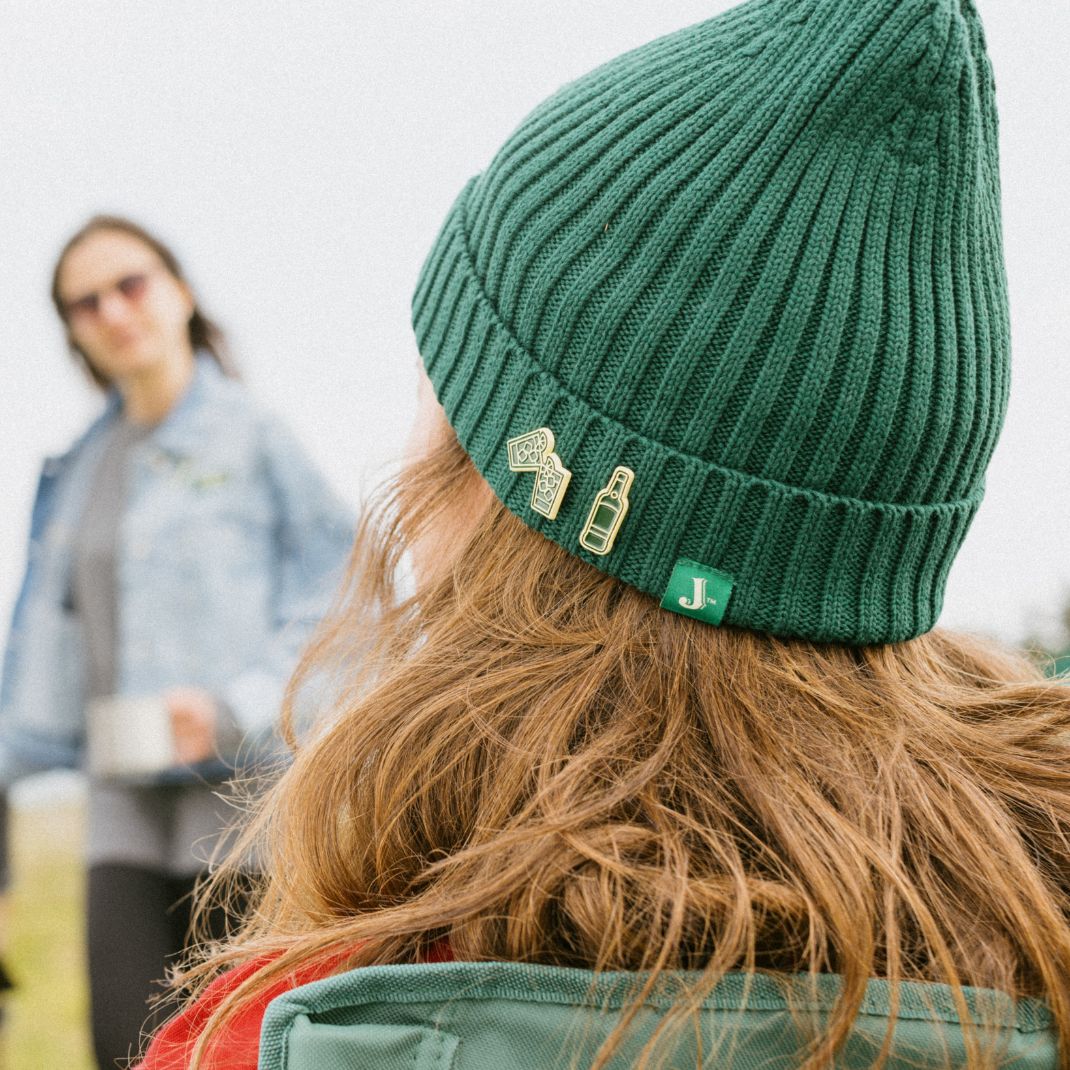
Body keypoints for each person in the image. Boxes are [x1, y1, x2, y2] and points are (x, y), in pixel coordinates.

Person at [140, 0, 1070, 1066]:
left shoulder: (293, 1030)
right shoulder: (1028, 963)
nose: (402, 471)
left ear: (510, 489)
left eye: (434, 398)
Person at [0, 216, 354, 1068]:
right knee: (120, 1046)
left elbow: (346, 598)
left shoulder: (255, 437)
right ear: (74, 334)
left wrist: (232, 706)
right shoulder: (76, 467)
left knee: (228, 1051)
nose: (114, 312)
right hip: (120, 795)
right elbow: (44, 655)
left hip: (238, 802)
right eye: (84, 304)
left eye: (132, 284)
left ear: (180, 290)